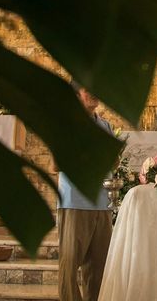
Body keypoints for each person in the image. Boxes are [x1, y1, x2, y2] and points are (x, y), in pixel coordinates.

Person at [58, 85, 113, 301]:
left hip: (102, 203)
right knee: (69, 268)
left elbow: (112, 162)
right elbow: (55, 163)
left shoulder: (105, 125)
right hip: (75, 201)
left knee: (98, 270)